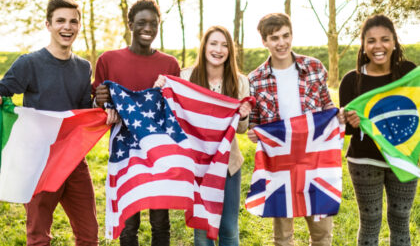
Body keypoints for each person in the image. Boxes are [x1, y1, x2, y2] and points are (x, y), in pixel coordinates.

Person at [0, 0, 98, 245]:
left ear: (79, 26)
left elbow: (83, 110)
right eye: (60, 21)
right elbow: (4, 90)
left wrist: (101, 105)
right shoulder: (29, 63)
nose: (67, 27)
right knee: (38, 236)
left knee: (89, 235)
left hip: (74, 159)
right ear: (48, 24)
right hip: (39, 160)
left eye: (73, 22)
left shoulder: (83, 67)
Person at [92, 0, 180, 246]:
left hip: (158, 151)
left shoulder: (170, 64)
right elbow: (96, 106)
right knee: (129, 223)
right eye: (142, 22)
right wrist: (99, 99)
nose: (148, 28)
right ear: (130, 24)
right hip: (124, 153)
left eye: (154, 23)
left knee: (160, 222)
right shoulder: (108, 60)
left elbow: (174, 108)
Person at [154, 25, 252, 245]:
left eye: (224, 45)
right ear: (204, 47)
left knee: (228, 227)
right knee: (202, 226)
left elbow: (242, 129)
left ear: (230, 51)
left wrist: (244, 115)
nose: (219, 50)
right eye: (213, 43)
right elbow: (173, 114)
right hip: (195, 163)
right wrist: (160, 89)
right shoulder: (186, 76)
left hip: (227, 164)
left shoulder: (240, 81)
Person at [247, 13, 335, 246]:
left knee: (321, 232)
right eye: (274, 38)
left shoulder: (314, 68)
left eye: (286, 36)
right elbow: (254, 122)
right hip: (280, 166)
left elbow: (328, 107)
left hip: (314, 160)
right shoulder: (255, 79)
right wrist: (254, 132)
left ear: (292, 35)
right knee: (283, 237)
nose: (281, 43)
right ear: (264, 42)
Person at [339, 14, 417, 246]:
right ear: (363, 45)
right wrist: (348, 121)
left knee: (401, 220)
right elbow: (347, 133)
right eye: (371, 41)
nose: (378, 46)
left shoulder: (409, 73)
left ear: (394, 41)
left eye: (384, 39)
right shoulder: (352, 80)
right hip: (365, 162)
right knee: (370, 222)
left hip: (404, 159)